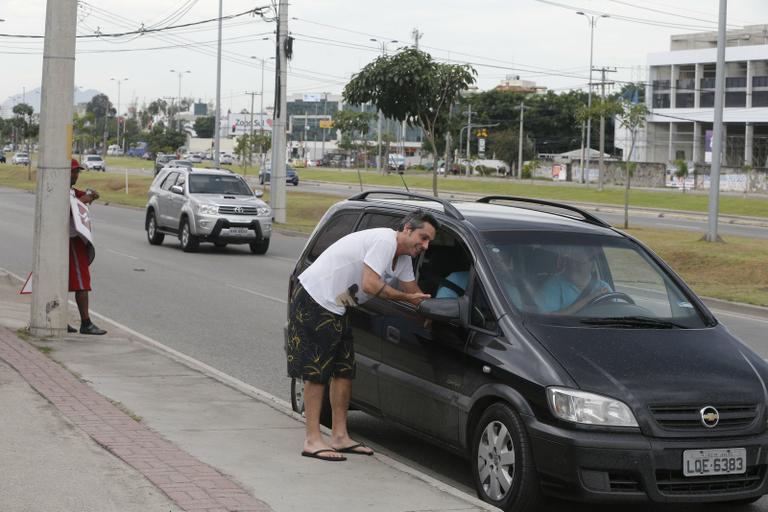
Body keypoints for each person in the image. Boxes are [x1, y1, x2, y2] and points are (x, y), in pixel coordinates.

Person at [287, 210, 438, 461]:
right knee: (317, 371)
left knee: (344, 371)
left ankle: (339, 436)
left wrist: (433, 313)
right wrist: (404, 297)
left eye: (429, 241)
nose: (425, 245)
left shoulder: (402, 260)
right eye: (423, 238)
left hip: (338, 305)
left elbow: (415, 294)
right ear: (408, 230)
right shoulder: (385, 241)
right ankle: (312, 440)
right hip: (316, 298)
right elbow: (370, 285)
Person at [68, 158, 107, 335]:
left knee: (64, 281)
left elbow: (83, 196)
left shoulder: (71, 191)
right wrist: (83, 200)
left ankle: (58, 318)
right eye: (73, 171)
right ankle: (86, 322)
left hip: (74, 240)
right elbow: (70, 207)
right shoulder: (63, 192)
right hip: (72, 240)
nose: (76, 174)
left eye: (77, 171)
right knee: (82, 283)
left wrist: (91, 195)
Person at [535, 245, 611, 314]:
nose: (573, 265)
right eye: (570, 260)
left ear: (592, 265)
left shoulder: (603, 288)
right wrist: (590, 298)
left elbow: (614, 312)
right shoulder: (553, 286)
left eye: (579, 262)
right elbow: (548, 319)